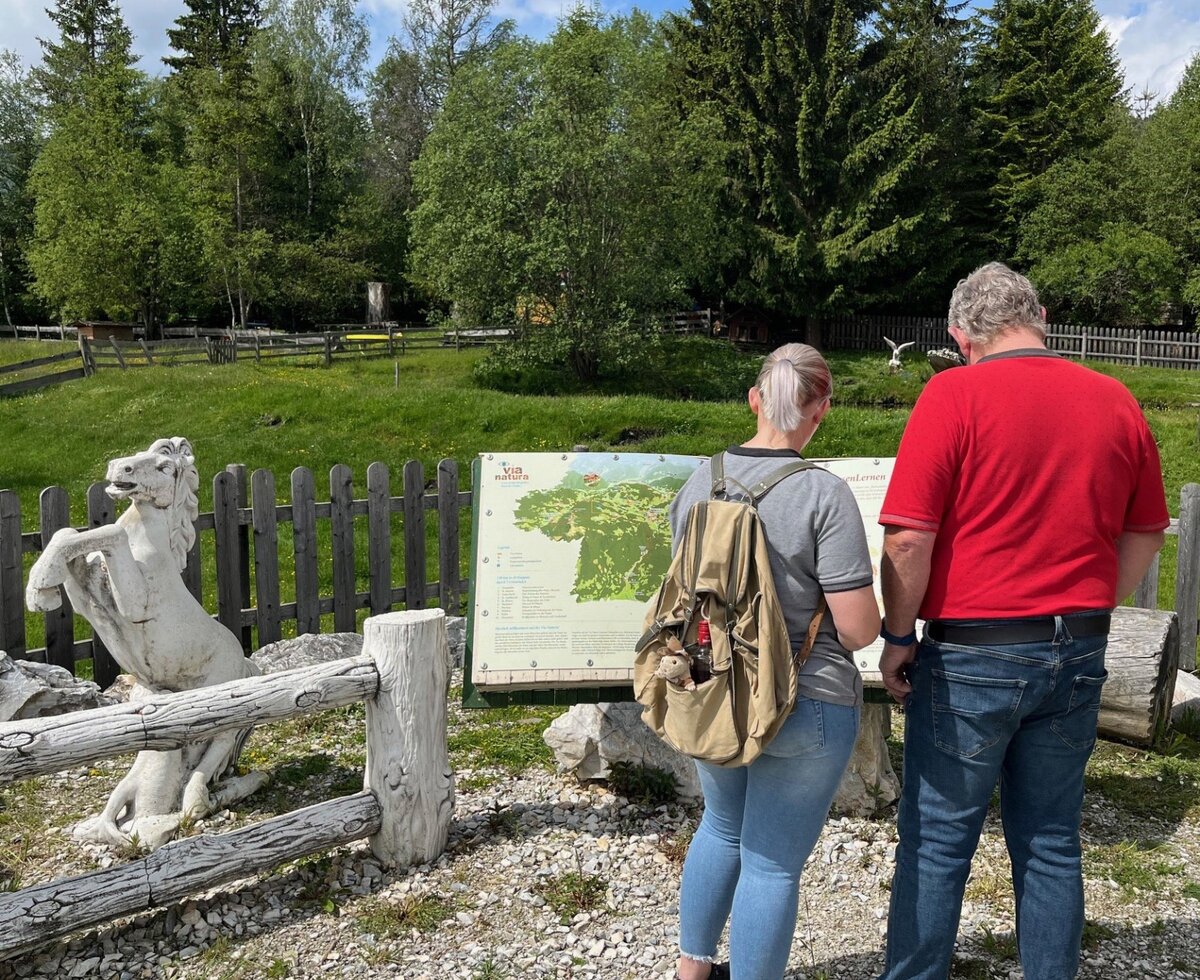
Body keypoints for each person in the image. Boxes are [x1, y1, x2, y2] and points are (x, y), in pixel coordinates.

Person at [876, 263, 1169, 980]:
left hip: (975, 649)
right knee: (1050, 840)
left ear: (959, 335)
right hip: (1076, 649)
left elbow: (909, 536)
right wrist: (1093, 602)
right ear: (1039, 314)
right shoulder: (1115, 398)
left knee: (940, 840)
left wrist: (896, 636)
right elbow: (1148, 530)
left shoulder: (953, 394)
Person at [670, 342, 881, 980]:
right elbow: (857, 628)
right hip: (805, 700)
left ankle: (692, 972)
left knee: (721, 829)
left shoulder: (699, 482)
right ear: (821, 409)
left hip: (713, 690)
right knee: (771, 864)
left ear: (755, 399)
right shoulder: (823, 494)